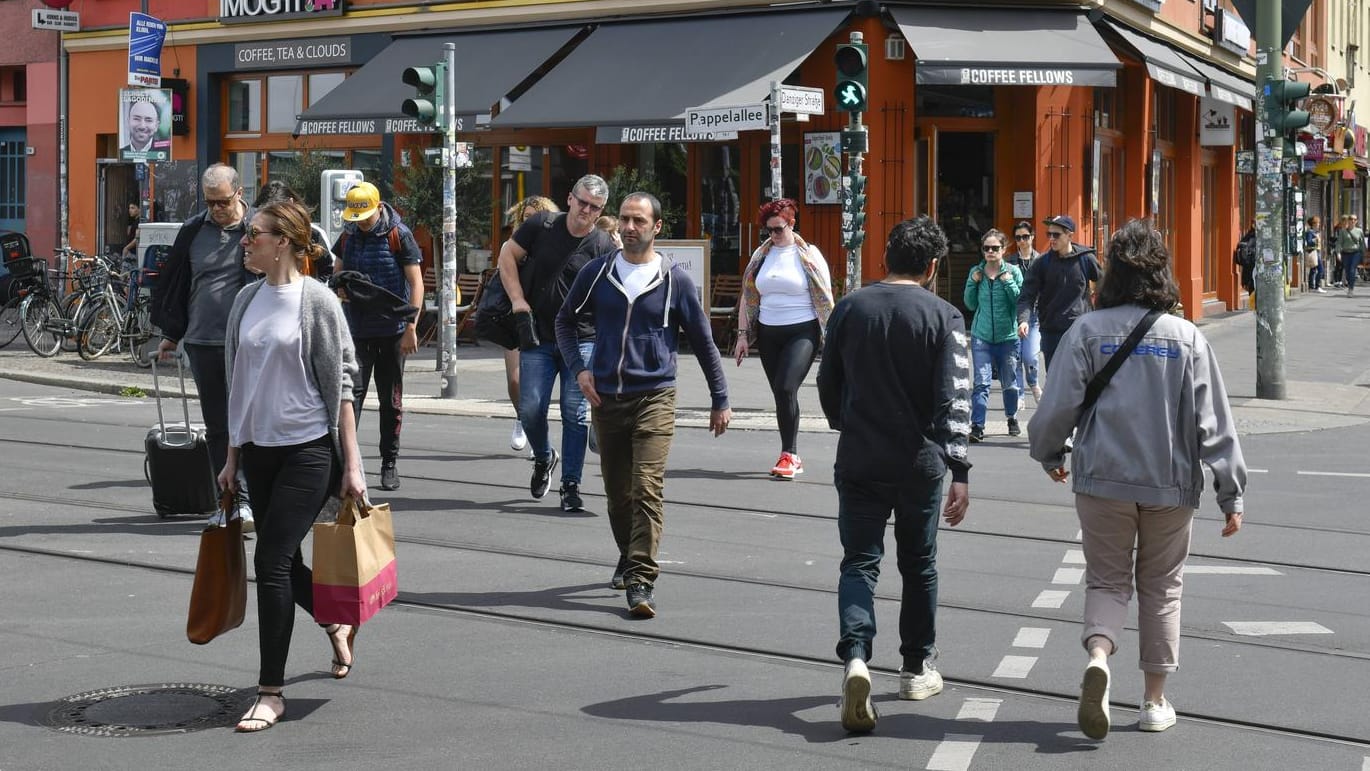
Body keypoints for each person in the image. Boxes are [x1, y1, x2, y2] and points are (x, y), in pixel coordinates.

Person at [1027, 219, 1245, 740]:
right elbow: (1213, 421)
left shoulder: (1085, 330)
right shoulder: (1186, 336)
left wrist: (1049, 453)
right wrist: (1230, 491)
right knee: (1162, 588)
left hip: (1102, 479)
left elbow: (1057, 407)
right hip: (1170, 486)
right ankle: (1153, 701)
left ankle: (1099, 656)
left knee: (1106, 580)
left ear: (1112, 274)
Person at [816, 215, 971, 734]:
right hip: (919, 461)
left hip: (859, 455)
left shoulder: (850, 308)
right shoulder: (945, 316)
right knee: (919, 563)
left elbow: (827, 380)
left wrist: (847, 421)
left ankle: (857, 657)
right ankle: (914, 666)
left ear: (885, 257)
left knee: (860, 561)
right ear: (932, 267)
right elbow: (956, 398)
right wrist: (960, 468)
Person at [218, 200, 367, 733]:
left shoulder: (318, 301)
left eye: (252, 234)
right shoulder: (244, 301)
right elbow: (238, 383)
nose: (244, 241)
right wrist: (232, 456)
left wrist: (353, 465)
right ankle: (333, 618)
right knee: (286, 562)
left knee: (272, 561)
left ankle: (270, 692)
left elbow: (342, 387)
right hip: (259, 450)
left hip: (308, 449)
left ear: (282, 241)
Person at [556, 192, 731, 618]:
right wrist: (580, 369)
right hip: (606, 397)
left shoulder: (674, 280)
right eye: (624, 220)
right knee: (618, 496)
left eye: (638, 220)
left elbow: (704, 342)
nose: (629, 227)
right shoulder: (598, 273)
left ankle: (640, 579)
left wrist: (720, 398)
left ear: (657, 226)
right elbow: (564, 320)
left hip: (655, 395)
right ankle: (628, 552)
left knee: (647, 488)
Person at [497, 175, 616, 512]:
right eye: (582, 202)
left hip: (582, 341)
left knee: (574, 414)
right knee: (531, 408)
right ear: (569, 198)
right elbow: (507, 256)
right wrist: (518, 300)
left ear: (600, 211)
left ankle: (571, 485)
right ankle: (544, 456)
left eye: (594, 207)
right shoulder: (542, 225)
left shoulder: (604, 245)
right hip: (540, 336)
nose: (586, 210)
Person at [151, 163, 256, 530]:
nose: (216, 209)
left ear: (239, 193)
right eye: (210, 202)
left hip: (248, 343)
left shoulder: (257, 229)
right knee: (218, 426)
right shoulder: (194, 230)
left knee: (250, 422)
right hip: (202, 341)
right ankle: (232, 502)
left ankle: (256, 498)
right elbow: (180, 282)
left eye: (222, 202)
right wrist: (171, 334)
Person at [331, 181, 423, 491]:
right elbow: (337, 272)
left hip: (393, 332)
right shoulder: (348, 235)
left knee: (390, 401)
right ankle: (345, 463)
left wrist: (411, 327)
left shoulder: (399, 235)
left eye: (365, 217)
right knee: (349, 398)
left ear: (378, 207)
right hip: (357, 331)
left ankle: (389, 463)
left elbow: (416, 282)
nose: (360, 223)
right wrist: (340, 287)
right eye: (355, 217)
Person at [733, 198, 834, 479]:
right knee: (780, 393)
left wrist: (832, 336)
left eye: (778, 229)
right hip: (768, 332)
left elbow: (825, 297)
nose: (773, 235)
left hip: (802, 330)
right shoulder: (761, 255)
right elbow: (748, 295)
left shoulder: (809, 254)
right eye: (768, 231)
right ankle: (787, 453)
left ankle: (790, 455)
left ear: (792, 224)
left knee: (786, 386)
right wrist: (743, 336)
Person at [500, 195, 561, 455]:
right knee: (515, 381)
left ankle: (537, 434)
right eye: (526, 219)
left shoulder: (556, 244)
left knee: (539, 387)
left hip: (547, 323)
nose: (531, 223)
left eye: (537, 218)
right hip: (517, 318)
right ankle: (522, 417)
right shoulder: (514, 245)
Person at [1016, 214, 1102, 370]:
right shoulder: (1042, 263)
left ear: (1069, 235)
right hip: (1051, 332)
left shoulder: (1086, 259)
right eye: (1049, 234)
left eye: (1056, 234)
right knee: (1055, 381)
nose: (1052, 238)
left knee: (1081, 379)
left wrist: (1101, 316)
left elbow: (1104, 285)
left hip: (1080, 330)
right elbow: (1026, 296)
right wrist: (1023, 320)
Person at [963, 228, 1023, 441]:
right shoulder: (976, 272)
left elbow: (1019, 302)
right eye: (986, 248)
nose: (990, 251)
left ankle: (1011, 417)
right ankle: (977, 425)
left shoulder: (1013, 272)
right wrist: (973, 282)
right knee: (981, 383)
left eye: (995, 248)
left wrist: (1008, 282)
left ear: (1003, 249)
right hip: (982, 336)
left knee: (1010, 383)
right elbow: (969, 304)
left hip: (1008, 337)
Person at [253, 181, 334, 279]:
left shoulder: (313, 234)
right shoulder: (255, 235)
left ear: (291, 203)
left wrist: (309, 290)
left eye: (278, 213)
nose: (273, 218)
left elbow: (329, 272)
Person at [1006, 220, 1042, 401]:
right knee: (1015, 357)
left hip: (1035, 314)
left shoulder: (1041, 260)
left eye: (1025, 237)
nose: (1022, 241)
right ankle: (1019, 394)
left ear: (1032, 237)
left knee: (1030, 356)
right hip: (1013, 314)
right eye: (1018, 237)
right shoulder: (1009, 261)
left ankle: (1033, 383)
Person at [1337, 213, 1364, 296]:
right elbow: (1339, 243)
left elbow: (1362, 244)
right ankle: (1350, 284)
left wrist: (1364, 254)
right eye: (1351, 219)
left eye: (1354, 219)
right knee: (1348, 272)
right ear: (1348, 220)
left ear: (1356, 221)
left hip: (1356, 253)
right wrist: (1338, 253)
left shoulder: (1359, 231)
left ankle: (1350, 289)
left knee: (1352, 269)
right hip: (1346, 254)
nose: (1352, 221)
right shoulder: (1343, 231)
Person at [1304, 216, 1325, 293]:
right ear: (1313, 224)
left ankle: (1311, 286)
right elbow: (1309, 241)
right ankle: (1317, 286)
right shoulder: (1310, 232)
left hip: (1317, 251)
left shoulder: (1315, 232)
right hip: (1313, 252)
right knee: (1321, 269)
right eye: (1317, 223)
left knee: (1313, 269)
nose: (1319, 224)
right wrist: (1315, 239)